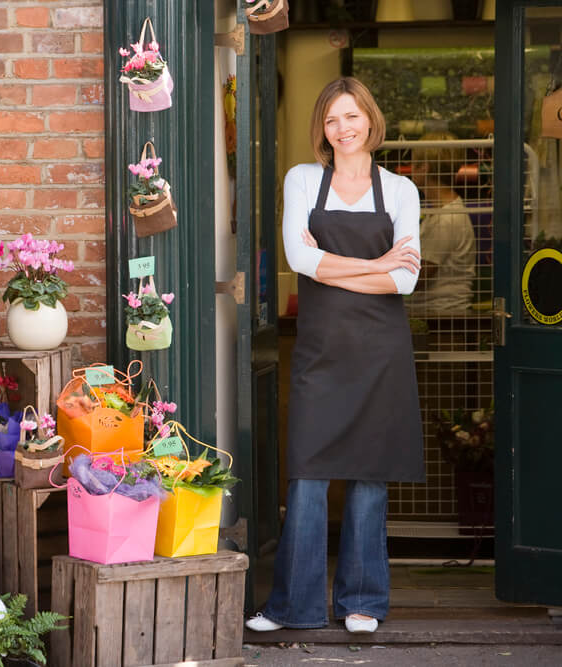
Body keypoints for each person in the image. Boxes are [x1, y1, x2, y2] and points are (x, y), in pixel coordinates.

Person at [245, 77, 425, 635]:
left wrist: (337, 263)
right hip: (322, 353)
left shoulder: (399, 190)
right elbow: (300, 258)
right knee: (307, 473)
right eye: (330, 120)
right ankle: (291, 606)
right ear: (321, 130)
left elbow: (406, 282)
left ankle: (362, 601)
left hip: (379, 353)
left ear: (369, 119)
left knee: (369, 475)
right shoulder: (303, 179)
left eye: (351, 117)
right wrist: (374, 265)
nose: (342, 129)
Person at [404, 132, 476, 314]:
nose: (410, 168)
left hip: (441, 318)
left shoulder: (447, 219)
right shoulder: (440, 213)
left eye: (414, 163)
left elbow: (419, 277)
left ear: (425, 168)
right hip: (433, 314)